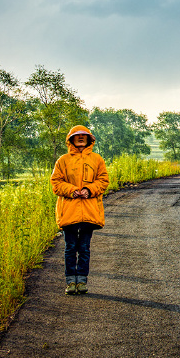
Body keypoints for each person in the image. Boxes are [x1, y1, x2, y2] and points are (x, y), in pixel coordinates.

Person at [50, 125, 110, 294]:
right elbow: (56, 183)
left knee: (84, 248)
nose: (81, 137)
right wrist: (72, 190)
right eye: (77, 136)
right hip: (68, 211)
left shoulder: (97, 159)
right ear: (71, 139)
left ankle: (82, 281)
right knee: (70, 248)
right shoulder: (63, 161)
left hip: (89, 212)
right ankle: (70, 282)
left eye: (84, 135)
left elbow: (103, 181)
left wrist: (89, 190)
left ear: (90, 139)